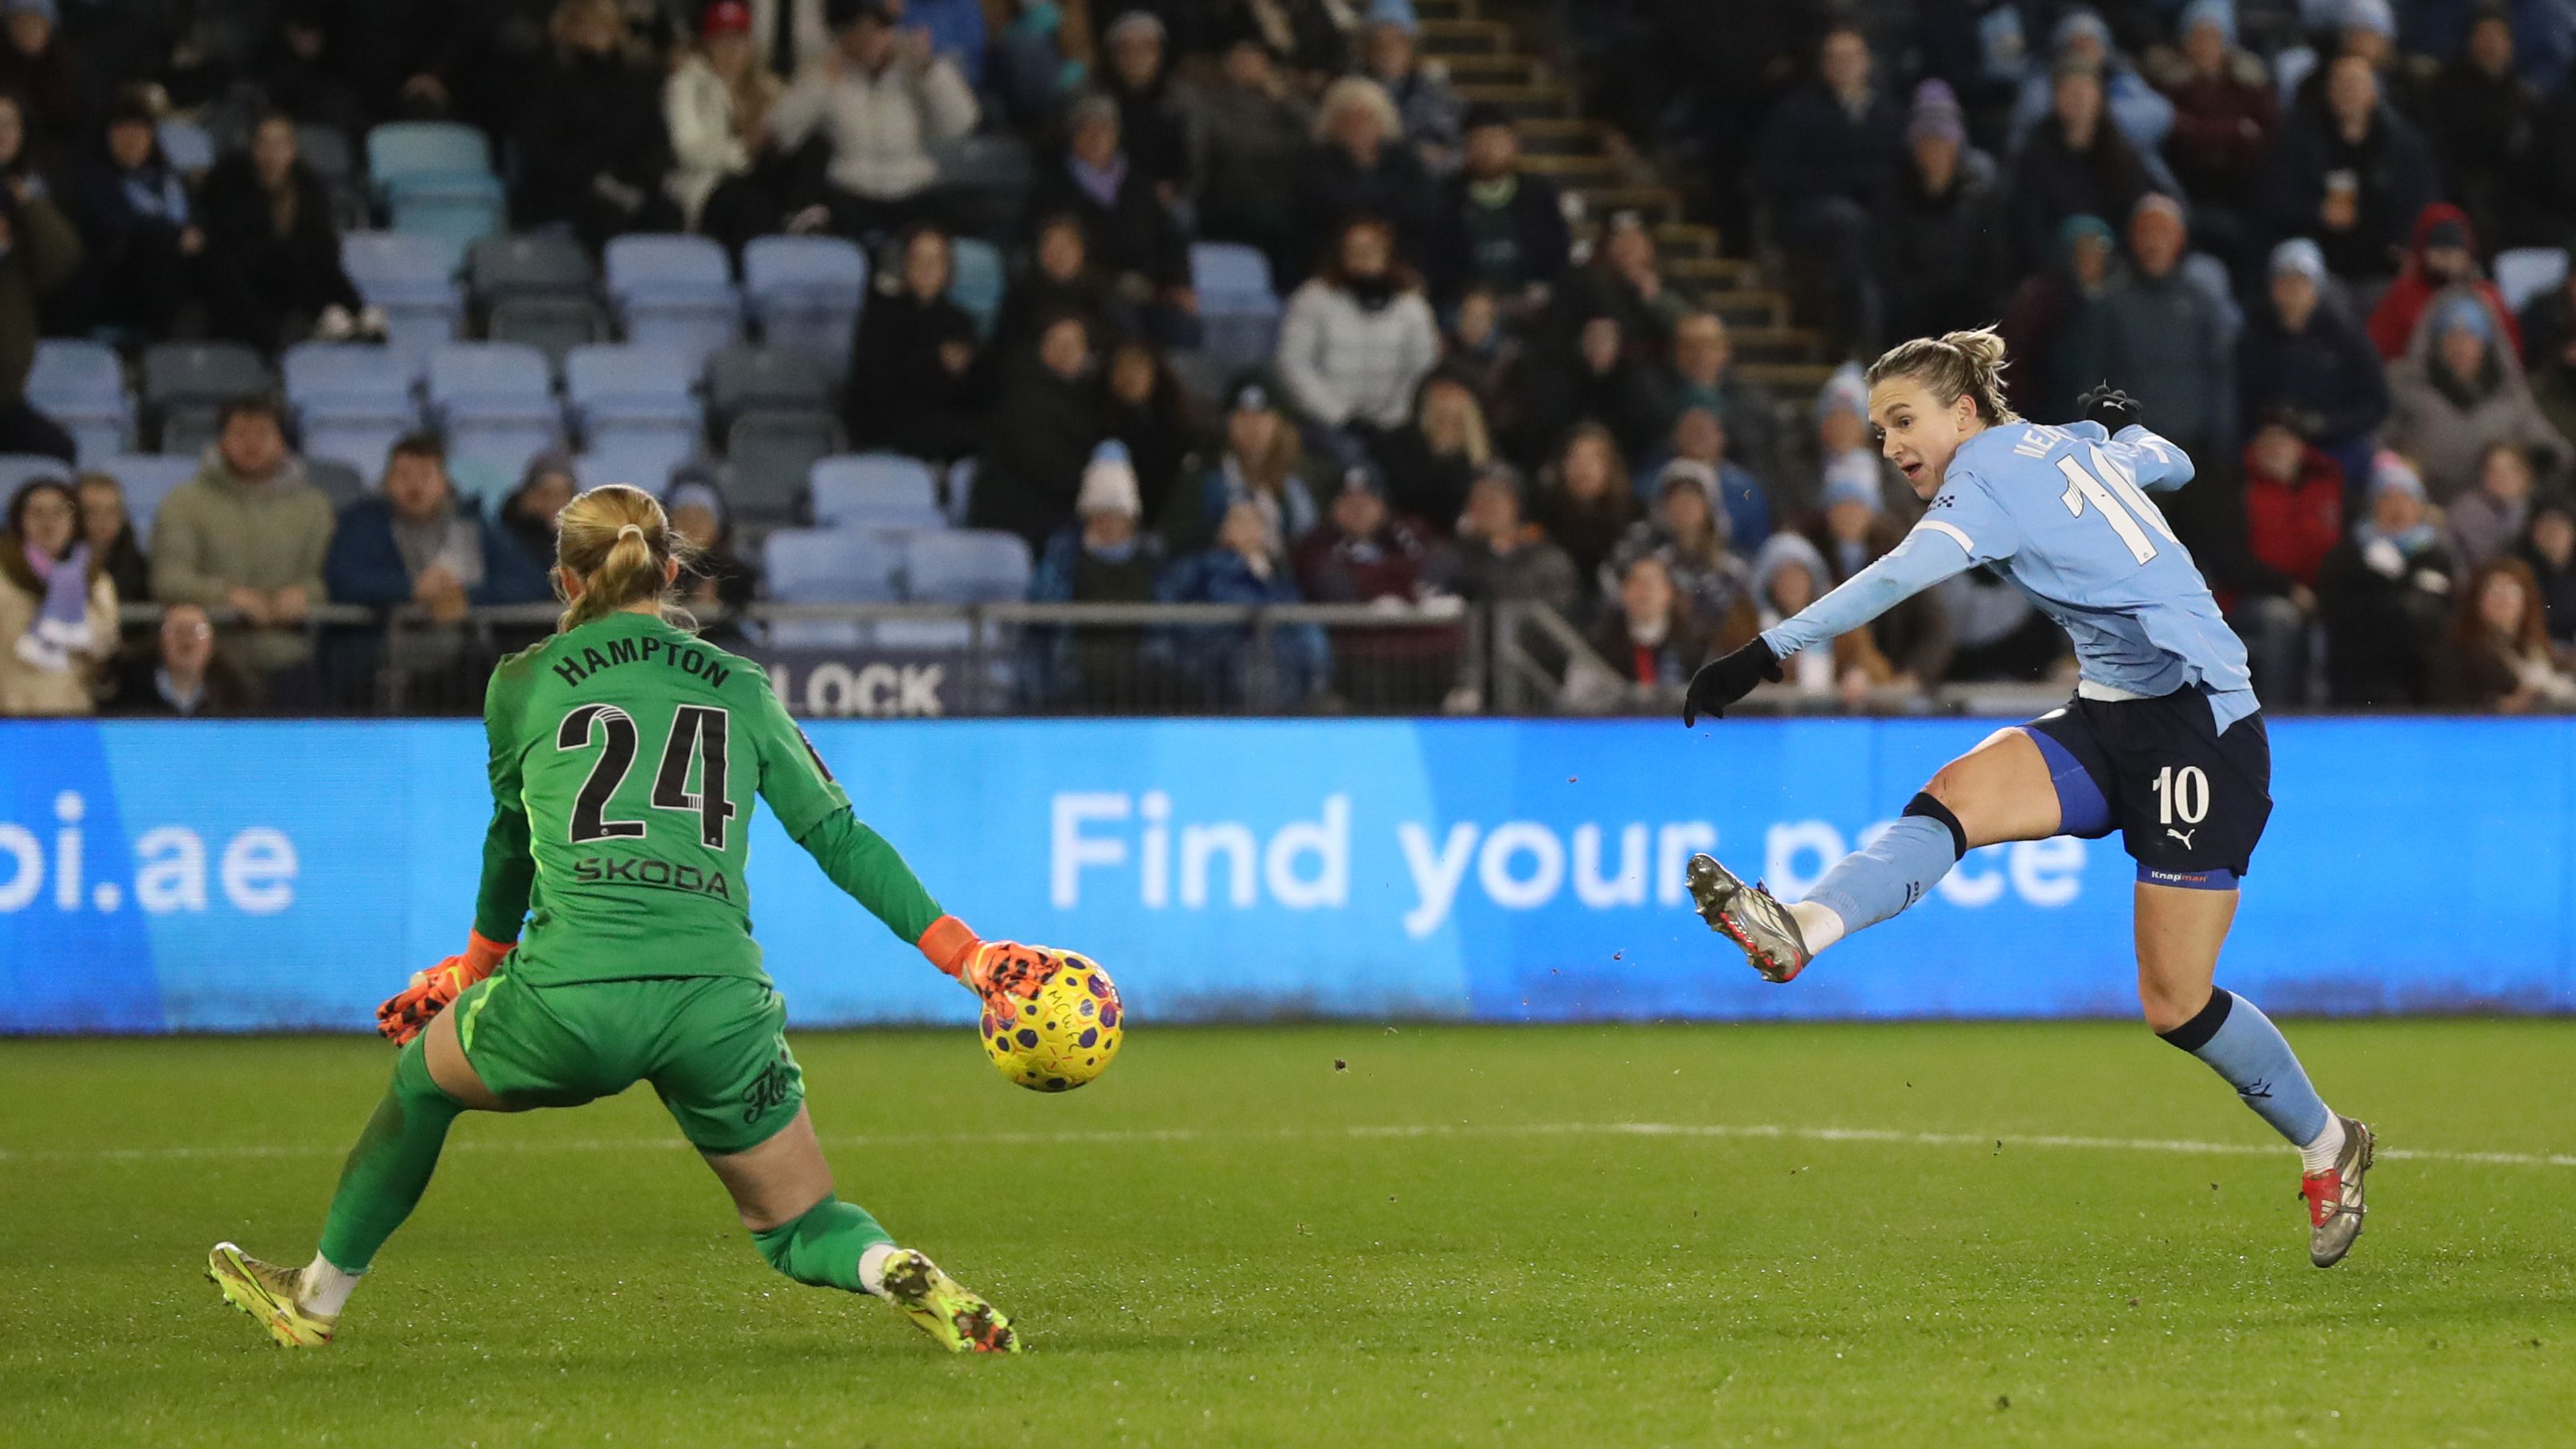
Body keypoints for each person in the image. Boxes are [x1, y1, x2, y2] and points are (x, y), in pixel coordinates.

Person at [206, 484, 1050, 1355]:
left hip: (572, 998)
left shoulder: (522, 684)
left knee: (423, 1082)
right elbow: (839, 837)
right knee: (799, 1224)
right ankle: (889, 1266)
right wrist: (969, 957)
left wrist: (473, 971)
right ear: (673, 571)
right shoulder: (740, 685)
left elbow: (511, 848)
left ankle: (316, 1297)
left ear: (566, 582)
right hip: (719, 1004)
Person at [1676, 329, 2375, 1268]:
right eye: (1881, 428)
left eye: (1904, 421)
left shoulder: (1985, 485)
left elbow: (1893, 578)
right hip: (2111, 713)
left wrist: (1765, 654)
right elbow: (2173, 459)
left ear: (1965, 414)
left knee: (2175, 1003)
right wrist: (2116, 433)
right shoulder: (2060, 442)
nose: (1889, 445)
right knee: (1953, 795)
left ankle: (2332, 1141)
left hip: (2200, 727)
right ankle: (1801, 925)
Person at [149, 395, 335, 683]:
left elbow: (331, 577)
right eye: (240, 433)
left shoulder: (314, 507)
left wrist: (307, 595)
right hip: (211, 662)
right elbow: (168, 580)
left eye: (262, 433)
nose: (251, 443)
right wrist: (227, 597)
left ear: (282, 442)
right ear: (221, 441)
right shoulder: (183, 502)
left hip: (293, 661)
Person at [769, 0, 979, 241]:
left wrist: (928, 70)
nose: (869, 38)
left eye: (879, 28)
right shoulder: (827, 73)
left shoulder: (917, 70)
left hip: (913, 192)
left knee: (954, 224)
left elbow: (963, 123)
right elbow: (781, 132)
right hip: (851, 194)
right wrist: (822, 82)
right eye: (858, 29)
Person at [1755, 26, 1904, 348]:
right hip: (1811, 212)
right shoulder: (1798, 110)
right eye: (1835, 58)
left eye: (1851, 57)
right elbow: (1776, 172)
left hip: (1877, 212)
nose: (1843, 65)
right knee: (1851, 226)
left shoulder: (1887, 112)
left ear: (1867, 62)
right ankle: (1851, 339)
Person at [1026, 93, 1195, 346]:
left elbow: (1169, 236)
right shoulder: (1053, 187)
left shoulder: (1137, 182)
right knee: (1120, 320)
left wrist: (1178, 282)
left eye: (1104, 130)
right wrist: (1112, 281)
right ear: (1073, 136)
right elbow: (1052, 249)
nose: (1096, 139)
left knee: (1181, 325)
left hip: (1148, 286)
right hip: (1089, 292)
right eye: (1087, 130)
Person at [1274, 214, 1439, 470]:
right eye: (1355, 250)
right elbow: (1293, 364)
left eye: (1372, 249)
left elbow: (1424, 365)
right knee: (1356, 460)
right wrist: (1340, 416)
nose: (1364, 257)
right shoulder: (1312, 299)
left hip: (1393, 422)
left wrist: (1392, 419)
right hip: (1327, 423)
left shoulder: (1411, 305)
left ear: (1388, 253)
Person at [198, 111, 374, 349]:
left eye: (280, 143)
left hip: (294, 284)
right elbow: (234, 246)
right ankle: (324, 314)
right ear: (253, 148)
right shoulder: (230, 186)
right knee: (290, 257)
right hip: (251, 286)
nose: (272, 151)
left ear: (293, 150)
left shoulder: (308, 188)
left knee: (311, 256)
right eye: (264, 142)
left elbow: (325, 250)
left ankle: (356, 313)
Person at [2259, 54, 2436, 286]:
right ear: (2328, 92)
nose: (2347, 92)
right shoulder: (2301, 138)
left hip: (2382, 262)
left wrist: (2403, 243)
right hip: (2316, 260)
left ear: (2373, 93)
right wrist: (2318, 211)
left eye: (2355, 84)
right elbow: (2273, 197)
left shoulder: (2401, 143)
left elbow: (2421, 200)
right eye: (2340, 84)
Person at [2385, 293, 2569, 504]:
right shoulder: (2405, 387)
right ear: (2434, 344)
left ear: (2487, 345)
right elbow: (2377, 444)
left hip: (2495, 517)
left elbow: (2555, 455)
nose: (2461, 347)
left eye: (2471, 337)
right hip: (2416, 512)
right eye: (2451, 337)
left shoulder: (2511, 396)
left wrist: (2527, 476)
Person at [2239, 237, 2388, 492]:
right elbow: (2242, 400)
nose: (2293, 290)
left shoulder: (2345, 336)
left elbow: (2376, 402)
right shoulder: (2254, 336)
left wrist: (2325, 425)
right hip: (2270, 439)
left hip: (2331, 443)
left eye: (2302, 281)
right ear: (2273, 286)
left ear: (2317, 288)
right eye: (2285, 280)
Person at [1030, 441, 1169, 709]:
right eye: (1102, 514)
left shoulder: (1152, 557)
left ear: (1131, 517)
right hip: (1073, 682)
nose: (1109, 524)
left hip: (1143, 684)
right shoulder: (1064, 554)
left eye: (1117, 515)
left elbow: (1170, 621)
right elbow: (1042, 611)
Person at [1155, 496, 1329, 709]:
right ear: (1223, 528)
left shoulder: (1279, 574)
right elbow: (1171, 611)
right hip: (1219, 660)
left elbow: (1300, 622)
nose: (1247, 529)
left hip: (1282, 667)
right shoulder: (1200, 568)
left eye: (1254, 522)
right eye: (1238, 521)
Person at [2317, 451, 2456, 706]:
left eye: (2406, 499)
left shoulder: (2435, 555)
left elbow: (2438, 611)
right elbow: (2339, 609)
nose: (2398, 508)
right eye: (2388, 499)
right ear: (2374, 505)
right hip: (2361, 667)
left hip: (2420, 668)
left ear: (2419, 507)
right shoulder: (2350, 554)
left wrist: (2395, 587)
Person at [2145, 0, 2276, 271]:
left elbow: (2267, 133)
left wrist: (2201, 131)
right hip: (2186, 183)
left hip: (2241, 183)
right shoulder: (2170, 84)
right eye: (2198, 37)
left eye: (2213, 37)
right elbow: (2174, 131)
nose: (2206, 45)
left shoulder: (2249, 83)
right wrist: (2235, 130)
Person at [1876, 80, 2007, 348]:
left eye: (1942, 141)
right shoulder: (1894, 195)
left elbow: (1992, 262)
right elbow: (1886, 260)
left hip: (1966, 312)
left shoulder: (1979, 199)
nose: (1935, 150)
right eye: (1927, 141)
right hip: (1912, 316)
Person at [2005, 59, 2163, 277]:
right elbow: (2030, 228)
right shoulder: (2034, 156)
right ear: (2056, 98)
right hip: (2057, 269)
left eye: (2085, 90)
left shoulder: (2121, 152)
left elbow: (2140, 207)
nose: (2079, 99)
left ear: (2099, 98)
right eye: (2070, 91)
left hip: (2118, 268)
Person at [967, 312, 1104, 551]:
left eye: (1075, 344)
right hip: (1016, 518)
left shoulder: (1086, 399)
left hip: (1054, 513)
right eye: (1058, 343)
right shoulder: (1022, 394)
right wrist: (1093, 483)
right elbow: (1042, 463)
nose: (1067, 351)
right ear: (1041, 347)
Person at [68, 85, 196, 341]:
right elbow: (115, 225)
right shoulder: (94, 177)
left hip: (178, 270)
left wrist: (193, 236)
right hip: (117, 280)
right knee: (154, 244)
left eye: (140, 130)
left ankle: (259, 345)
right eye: (122, 130)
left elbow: (195, 221)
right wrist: (175, 237)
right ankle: (172, 340)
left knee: (214, 250)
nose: (132, 139)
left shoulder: (168, 178)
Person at [2234, 411, 2345, 703]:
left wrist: (2323, 592)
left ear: (2300, 448)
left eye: (2283, 441)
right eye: (2267, 442)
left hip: (2321, 593)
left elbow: (2346, 548)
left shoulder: (2328, 487)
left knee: (2353, 611)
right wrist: (2290, 590)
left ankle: (2337, 714)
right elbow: (2231, 561)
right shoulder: (2237, 489)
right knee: (2281, 618)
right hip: (2251, 598)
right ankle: (2278, 715)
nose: (2275, 449)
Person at [847, 222, 982, 463]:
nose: (927, 268)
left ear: (948, 269)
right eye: (919, 258)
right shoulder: (879, 318)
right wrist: (936, 364)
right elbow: (873, 386)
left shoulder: (961, 323)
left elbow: (973, 392)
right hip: (890, 425)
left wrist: (960, 372)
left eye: (936, 260)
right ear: (906, 265)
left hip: (944, 427)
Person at [2419, 5, 2542, 259]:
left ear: (2511, 44)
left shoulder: (2525, 98)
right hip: (2460, 194)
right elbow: (2439, 153)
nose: (2492, 45)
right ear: (2470, 41)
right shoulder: (2443, 90)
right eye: (2484, 36)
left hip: (2512, 198)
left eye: (2499, 37)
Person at [666, 0, 789, 254]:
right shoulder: (687, 84)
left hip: (758, 179)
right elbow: (688, 152)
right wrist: (743, 149)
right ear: (708, 44)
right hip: (708, 187)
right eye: (723, 40)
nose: (732, 49)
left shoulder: (766, 86)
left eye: (739, 40)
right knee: (749, 201)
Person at [1427, 104, 1569, 312]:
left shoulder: (1538, 194)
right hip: (1467, 307)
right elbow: (1439, 263)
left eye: (1496, 140)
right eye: (1480, 140)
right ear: (1467, 146)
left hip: (1531, 304)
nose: (1488, 149)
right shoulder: (1447, 196)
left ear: (1513, 144)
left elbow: (1557, 252)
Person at [1289, 77, 1431, 285]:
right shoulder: (1312, 165)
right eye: (1348, 119)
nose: (1358, 127)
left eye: (1366, 117)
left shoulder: (1406, 164)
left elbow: (1421, 215)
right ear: (1332, 123)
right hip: (1328, 269)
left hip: (1397, 265)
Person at [1161, 371, 1319, 556]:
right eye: (1243, 417)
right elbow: (1171, 540)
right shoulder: (1203, 474)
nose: (1253, 427)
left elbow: (1312, 545)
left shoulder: (1300, 478)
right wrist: (1219, 534)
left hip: (1281, 580)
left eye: (1262, 417)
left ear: (1279, 424)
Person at [1190, 35, 1312, 268]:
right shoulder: (1211, 102)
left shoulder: (1284, 100)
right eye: (1240, 58)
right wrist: (1281, 145)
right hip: (1233, 199)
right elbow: (1234, 147)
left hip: (1284, 198)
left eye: (1254, 58)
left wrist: (1285, 100)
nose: (1247, 65)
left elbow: (1317, 131)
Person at [1607, 461, 1758, 645]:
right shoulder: (1653, 565)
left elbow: (1748, 629)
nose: (1684, 506)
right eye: (1676, 499)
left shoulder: (1733, 572)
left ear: (1708, 507)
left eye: (1692, 498)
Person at [0, 474, 114, 714]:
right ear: (20, 520)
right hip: (9, 714)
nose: (48, 523)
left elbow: (104, 645)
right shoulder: (4, 576)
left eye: (58, 513)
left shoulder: (94, 580)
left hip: (71, 713)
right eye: (36, 513)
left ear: (75, 522)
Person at [1748, 529, 1894, 703]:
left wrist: (1861, 672)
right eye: (1782, 577)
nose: (1791, 584)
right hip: (1772, 722)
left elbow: (1873, 663)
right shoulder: (1750, 624)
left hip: (1832, 720)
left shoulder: (1841, 618)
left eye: (1798, 576)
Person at [2366, 203, 2520, 362]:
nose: (2448, 257)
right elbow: (2379, 352)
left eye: (2455, 249)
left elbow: (2511, 356)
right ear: (2423, 250)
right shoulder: (2402, 298)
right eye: (2439, 248)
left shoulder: (2487, 298)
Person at [1524, 309, 1668, 466]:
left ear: (1618, 344)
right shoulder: (1565, 380)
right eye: (1592, 339)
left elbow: (1648, 429)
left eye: (1605, 340)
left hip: (1628, 462)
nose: (1597, 346)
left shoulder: (1637, 383)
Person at [2431, 554, 2576, 710]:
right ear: (2476, 600)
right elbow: (2448, 705)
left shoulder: (2538, 647)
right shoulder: (2458, 650)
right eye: (2495, 592)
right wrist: (2508, 705)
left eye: (2512, 591)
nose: (2503, 600)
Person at [1664, 312, 1781, 487]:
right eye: (1690, 346)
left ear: (1725, 350)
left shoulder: (1753, 401)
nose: (1700, 355)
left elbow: (1766, 464)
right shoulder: (1657, 399)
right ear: (1676, 352)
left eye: (1709, 345)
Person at [1450, 463, 1576, 615]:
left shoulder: (1547, 559)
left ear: (1516, 504)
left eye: (1495, 497)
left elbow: (1562, 616)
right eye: (1478, 498)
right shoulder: (1455, 558)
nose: (1485, 505)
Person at [1533, 422, 1637, 606]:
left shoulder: (1634, 517)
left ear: (1610, 466)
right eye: (1575, 458)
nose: (1583, 467)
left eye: (1593, 458)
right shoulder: (1542, 518)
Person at [1097, 10, 1194, 202]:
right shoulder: (1097, 100)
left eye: (1145, 48)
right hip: (1113, 196)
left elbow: (1195, 160)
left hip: (1171, 196)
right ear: (1112, 55)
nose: (1135, 56)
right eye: (1125, 48)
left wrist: (1175, 187)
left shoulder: (1182, 99)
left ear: (1160, 53)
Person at [1099, 337, 1197, 525]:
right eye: (1124, 368)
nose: (1131, 377)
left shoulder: (1176, 420)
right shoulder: (1098, 423)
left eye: (1139, 368)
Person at [1370, 373, 1486, 531]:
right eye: (1443, 392)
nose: (1448, 396)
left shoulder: (1481, 455)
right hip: (1405, 532)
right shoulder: (1398, 445)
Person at [1360, 1, 1460, 175]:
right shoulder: (1350, 92)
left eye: (1397, 41)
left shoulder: (1435, 93)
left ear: (1411, 47)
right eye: (1379, 42)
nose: (1388, 50)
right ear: (1367, 49)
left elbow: (1453, 152)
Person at [990, 213, 1113, 355]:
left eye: (1065, 246)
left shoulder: (1101, 288)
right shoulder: (1023, 291)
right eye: (1049, 245)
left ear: (1081, 251)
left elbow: (1115, 340)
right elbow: (1006, 343)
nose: (1058, 254)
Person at [109, 602, 253, 716]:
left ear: (212, 643)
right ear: (160, 640)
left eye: (197, 630)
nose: (186, 638)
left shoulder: (235, 693)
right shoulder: (128, 691)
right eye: (176, 630)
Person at [74, 468, 147, 605]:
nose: (103, 520)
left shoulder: (139, 569)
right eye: (91, 511)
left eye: (112, 511)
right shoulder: (57, 563)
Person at [2519, 494, 2576, 649]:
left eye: (2560, 526)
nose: (2552, 532)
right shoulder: (2520, 570)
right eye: (2545, 525)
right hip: (2535, 649)